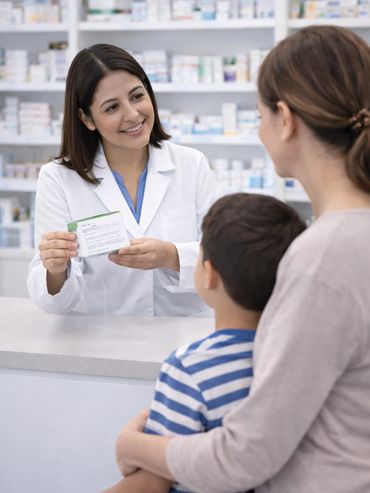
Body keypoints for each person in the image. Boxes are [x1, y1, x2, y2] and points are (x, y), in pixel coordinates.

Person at [113, 25, 370, 493]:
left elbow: (243, 456)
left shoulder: (323, 258)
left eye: (259, 114)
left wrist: (134, 446)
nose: (259, 128)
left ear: (286, 119)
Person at [102, 193, 305, 493]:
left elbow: (151, 481)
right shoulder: (300, 358)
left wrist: (129, 443)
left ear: (208, 275)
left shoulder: (189, 367)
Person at [27, 44, 216, 315]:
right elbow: (52, 302)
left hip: (182, 337)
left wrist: (171, 256)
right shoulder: (58, 179)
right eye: (112, 107)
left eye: (137, 96)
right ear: (86, 118)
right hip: (102, 342)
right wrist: (55, 270)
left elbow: (223, 261)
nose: (132, 114)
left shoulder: (192, 164)